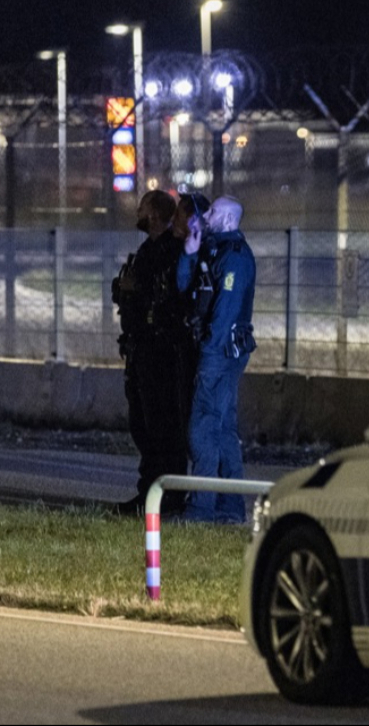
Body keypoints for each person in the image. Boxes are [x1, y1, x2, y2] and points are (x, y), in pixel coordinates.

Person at [111, 190, 196, 515]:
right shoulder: (148, 249)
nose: (138, 213)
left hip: (162, 353)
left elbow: (172, 297)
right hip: (141, 349)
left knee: (164, 428)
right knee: (143, 426)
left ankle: (167, 496)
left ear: (156, 214)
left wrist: (139, 290)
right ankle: (148, 493)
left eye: (144, 208)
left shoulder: (172, 251)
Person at [175, 195, 257, 524]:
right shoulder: (213, 250)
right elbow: (185, 287)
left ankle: (201, 508)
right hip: (216, 351)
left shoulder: (234, 257)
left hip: (220, 354)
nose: (206, 216)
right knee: (221, 430)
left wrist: (208, 353)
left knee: (201, 428)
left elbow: (225, 314)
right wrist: (189, 253)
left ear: (228, 219)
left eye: (212, 212)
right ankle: (229, 508)